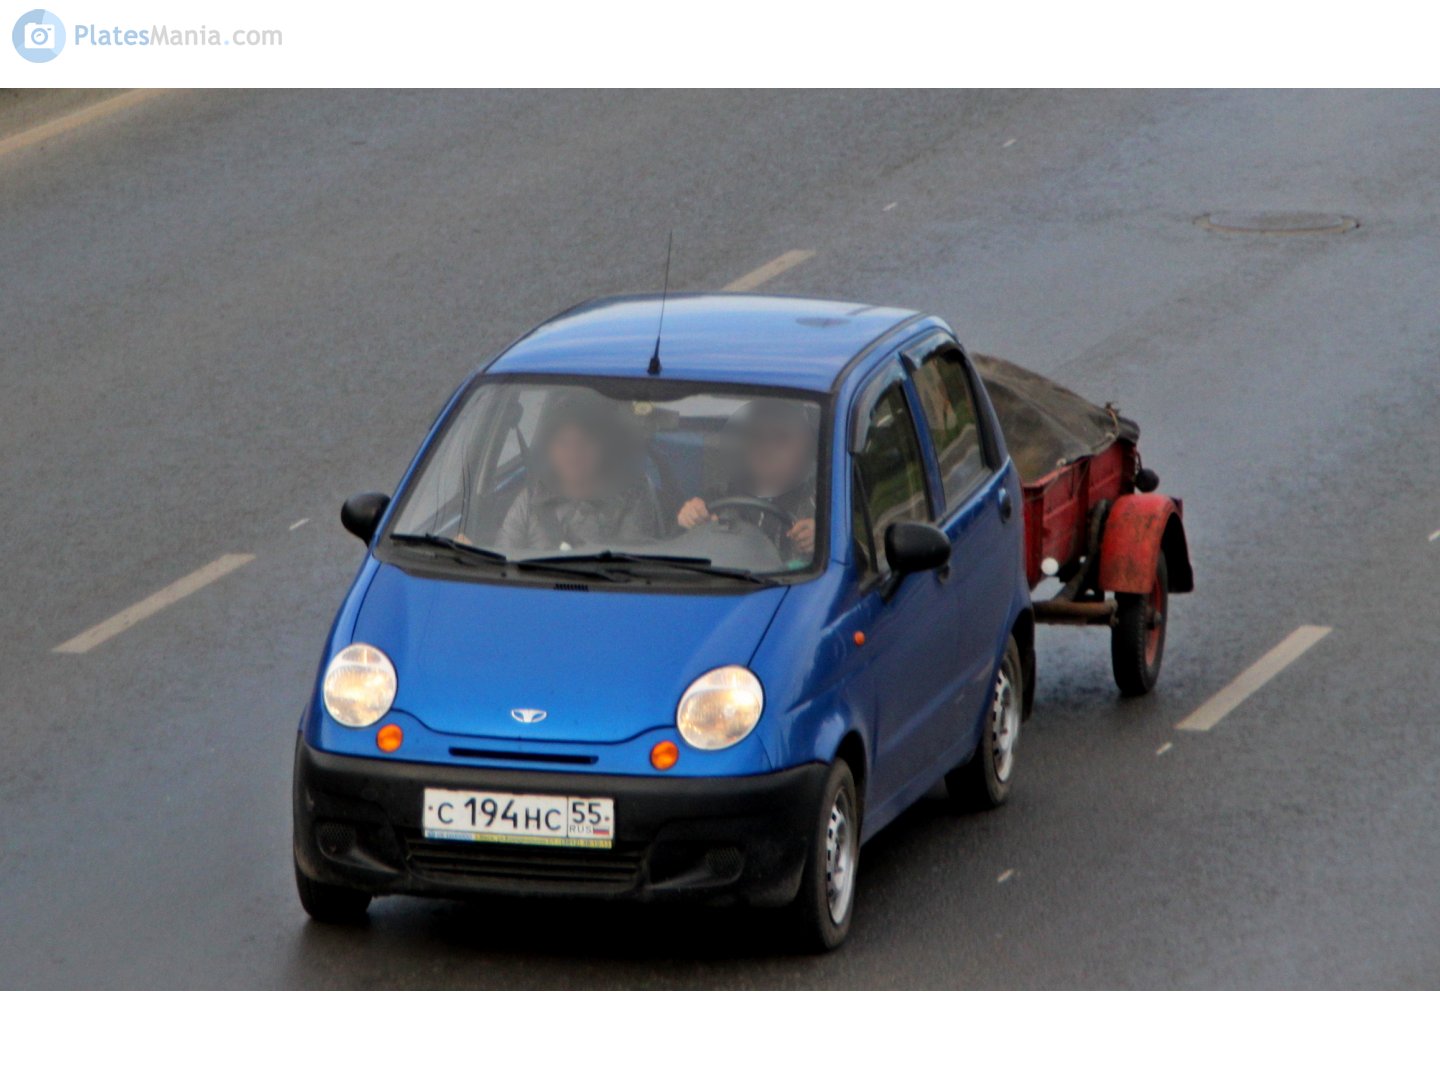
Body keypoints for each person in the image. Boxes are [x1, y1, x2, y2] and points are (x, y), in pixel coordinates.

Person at [495, 392, 660, 552]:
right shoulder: (530, 499)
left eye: (584, 441)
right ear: (550, 450)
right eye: (563, 443)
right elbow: (503, 557)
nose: (573, 454)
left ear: (602, 447)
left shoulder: (631, 496)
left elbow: (632, 560)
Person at [676, 398, 817, 559]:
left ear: (806, 448)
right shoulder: (719, 497)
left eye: (781, 439)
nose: (767, 449)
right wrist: (690, 519)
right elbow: (675, 550)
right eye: (757, 437)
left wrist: (820, 539)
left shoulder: (824, 505)